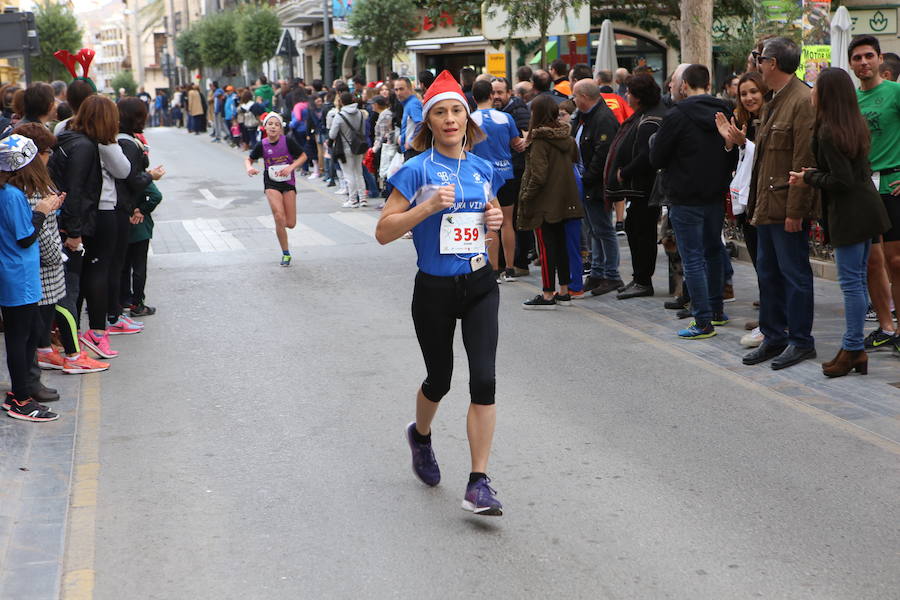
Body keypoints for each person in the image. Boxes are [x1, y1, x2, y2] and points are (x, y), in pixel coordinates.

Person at [374, 70, 505, 516]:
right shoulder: (413, 170)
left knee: (484, 380)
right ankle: (421, 436)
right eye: (440, 113)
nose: (450, 119)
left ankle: (478, 482)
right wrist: (426, 206)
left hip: (480, 283)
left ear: (467, 120)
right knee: (441, 379)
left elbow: (490, 217)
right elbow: (383, 232)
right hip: (434, 289)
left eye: (456, 111)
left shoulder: (484, 167)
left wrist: (495, 224)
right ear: (428, 122)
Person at [787, 67, 891, 377]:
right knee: (857, 281)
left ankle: (853, 349)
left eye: (817, 87)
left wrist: (808, 177)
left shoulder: (828, 130)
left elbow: (841, 179)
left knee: (851, 284)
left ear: (827, 94)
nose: (812, 92)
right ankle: (853, 349)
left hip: (851, 214)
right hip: (866, 208)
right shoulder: (852, 123)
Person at [743, 37, 818, 370]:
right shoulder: (775, 100)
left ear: (772, 63)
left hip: (785, 207)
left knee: (794, 275)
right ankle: (774, 336)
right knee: (768, 275)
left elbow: (804, 160)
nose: (757, 63)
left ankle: (801, 341)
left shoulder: (802, 100)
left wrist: (795, 211)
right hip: (767, 205)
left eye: (760, 58)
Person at [13, 123, 109, 377]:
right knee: (62, 307)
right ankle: (73, 356)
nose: (50, 157)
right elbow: (40, 233)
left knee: (40, 317)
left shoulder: (22, 186)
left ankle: (45, 351)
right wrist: (59, 256)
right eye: (47, 152)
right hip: (46, 264)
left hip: (35, 265)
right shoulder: (32, 189)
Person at [650, 64, 737, 338]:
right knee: (713, 252)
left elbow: (657, 157)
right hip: (714, 194)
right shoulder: (725, 112)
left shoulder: (677, 115)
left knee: (693, 259)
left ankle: (702, 321)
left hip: (685, 196)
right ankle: (715, 311)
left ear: (685, 85)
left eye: (676, 84)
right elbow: (733, 154)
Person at [0, 134, 64, 421]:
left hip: (15, 272)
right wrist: (41, 211)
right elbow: (25, 237)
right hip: (18, 274)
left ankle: (20, 393)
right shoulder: (12, 195)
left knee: (25, 334)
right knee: (20, 337)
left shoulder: (7, 191)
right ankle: (21, 399)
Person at [849, 35, 900, 353]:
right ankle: (885, 327)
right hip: (862, 188)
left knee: (897, 261)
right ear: (851, 63)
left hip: (893, 184)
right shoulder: (851, 101)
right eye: (857, 57)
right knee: (871, 262)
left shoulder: (895, 92)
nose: (864, 62)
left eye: (869, 56)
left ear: (880, 59)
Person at [717, 71, 770, 348]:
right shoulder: (743, 121)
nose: (749, 98)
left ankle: (773, 321)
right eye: (744, 93)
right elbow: (736, 163)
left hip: (767, 200)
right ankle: (768, 318)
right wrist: (729, 144)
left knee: (770, 263)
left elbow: (765, 157)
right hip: (745, 200)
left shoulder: (770, 119)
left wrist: (741, 143)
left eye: (753, 92)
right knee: (760, 262)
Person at [517, 95, 583, 309]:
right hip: (566, 198)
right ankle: (564, 290)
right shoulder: (567, 137)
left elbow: (539, 175)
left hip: (545, 202)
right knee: (561, 245)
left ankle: (547, 293)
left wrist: (526, 196)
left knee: (546, 248)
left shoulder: (539, 140)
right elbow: (574, 158)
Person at [605, 74, 666, 300]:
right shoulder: (648, 113)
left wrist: (625, 171)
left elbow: (646, 155)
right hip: (642, 188)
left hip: (646, 187)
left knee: (642, 232)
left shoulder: (651, 119)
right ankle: (640, 278)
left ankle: (643, 280)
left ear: (638, 97)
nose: (626, 96)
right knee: (635, 228)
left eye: (629, 93)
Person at [469, 80, 524, 281]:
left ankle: (493, 269)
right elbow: (517, 144)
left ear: (474, 98)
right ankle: (510, 268)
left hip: (482, 177)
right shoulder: (506, 117)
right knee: (507, 222)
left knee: (489, 224)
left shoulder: (469, 120)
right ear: (492, 95)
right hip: (506, 173)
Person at [571, 79, 621, 296]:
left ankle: (612, 275)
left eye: (575, 96)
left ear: (583, 97)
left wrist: (588, 177)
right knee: (594, 229)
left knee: (603, 229)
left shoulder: (602, 118)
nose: (572, 100)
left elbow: (603, 153)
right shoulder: (585, 117)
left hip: (596, 184)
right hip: (586, 182)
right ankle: (598, 272)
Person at [245, 112, 307, 266]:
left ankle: (280, 226)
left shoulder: (288, 142)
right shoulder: (262, 144)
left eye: (276, 124)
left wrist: (290, 168)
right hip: (271, 183)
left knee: (290, 223)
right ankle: (286, 253)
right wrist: (249, 168)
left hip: (288, 183)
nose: (273, 127)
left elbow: (303, 156)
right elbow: (249, 159)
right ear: (264, 126)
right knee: (279, 216)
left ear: (280, 128)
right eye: (270, 124)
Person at [492, 76, 534, 278]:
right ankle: (503, 262)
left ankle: (518, 262)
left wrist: (517, 144)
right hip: (504, 173)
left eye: (500, 92)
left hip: (516, 173)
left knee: (515, 220)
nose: (496, 96)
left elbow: (524, 141)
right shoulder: (496, 114)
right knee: (503, 220)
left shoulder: (517, 112)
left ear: (509, 93)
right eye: (493, 93)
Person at [329, 91, 369, 208]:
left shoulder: (339, 116)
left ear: (341, 102)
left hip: (345, 148)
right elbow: (362, 131)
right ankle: (363, 199)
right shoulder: (361, 114)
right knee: (359, 173)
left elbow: (332, 134)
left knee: (348, 174)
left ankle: (352, 199)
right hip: (359, 146)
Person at [396, 77, 422, 159]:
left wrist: (411, 143)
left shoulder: (412, 104)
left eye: (401, 89)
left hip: (414, 151)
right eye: (396, 90)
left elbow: (420, 124)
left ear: (410, 89)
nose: (398, 93)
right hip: (411, 150)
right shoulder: (408, 104)